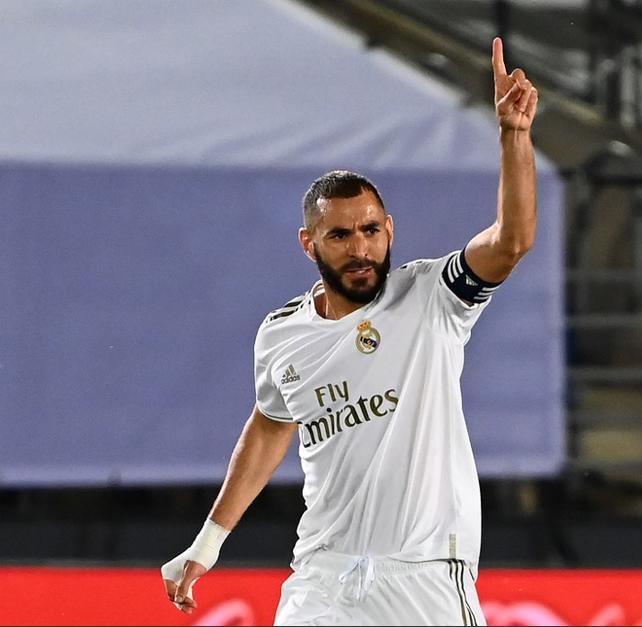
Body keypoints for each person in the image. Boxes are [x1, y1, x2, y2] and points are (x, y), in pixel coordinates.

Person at [160, 37, 538, 626]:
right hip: (324, 577)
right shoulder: (282, 334)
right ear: (309, 244)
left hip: (425, 574)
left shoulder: (432, 295)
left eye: (370, 230)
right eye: (340, 236)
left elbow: (511, 241)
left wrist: (514, 136)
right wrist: (207, 544)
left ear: (389, 228)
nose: (360, 249)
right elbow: (267, 426)